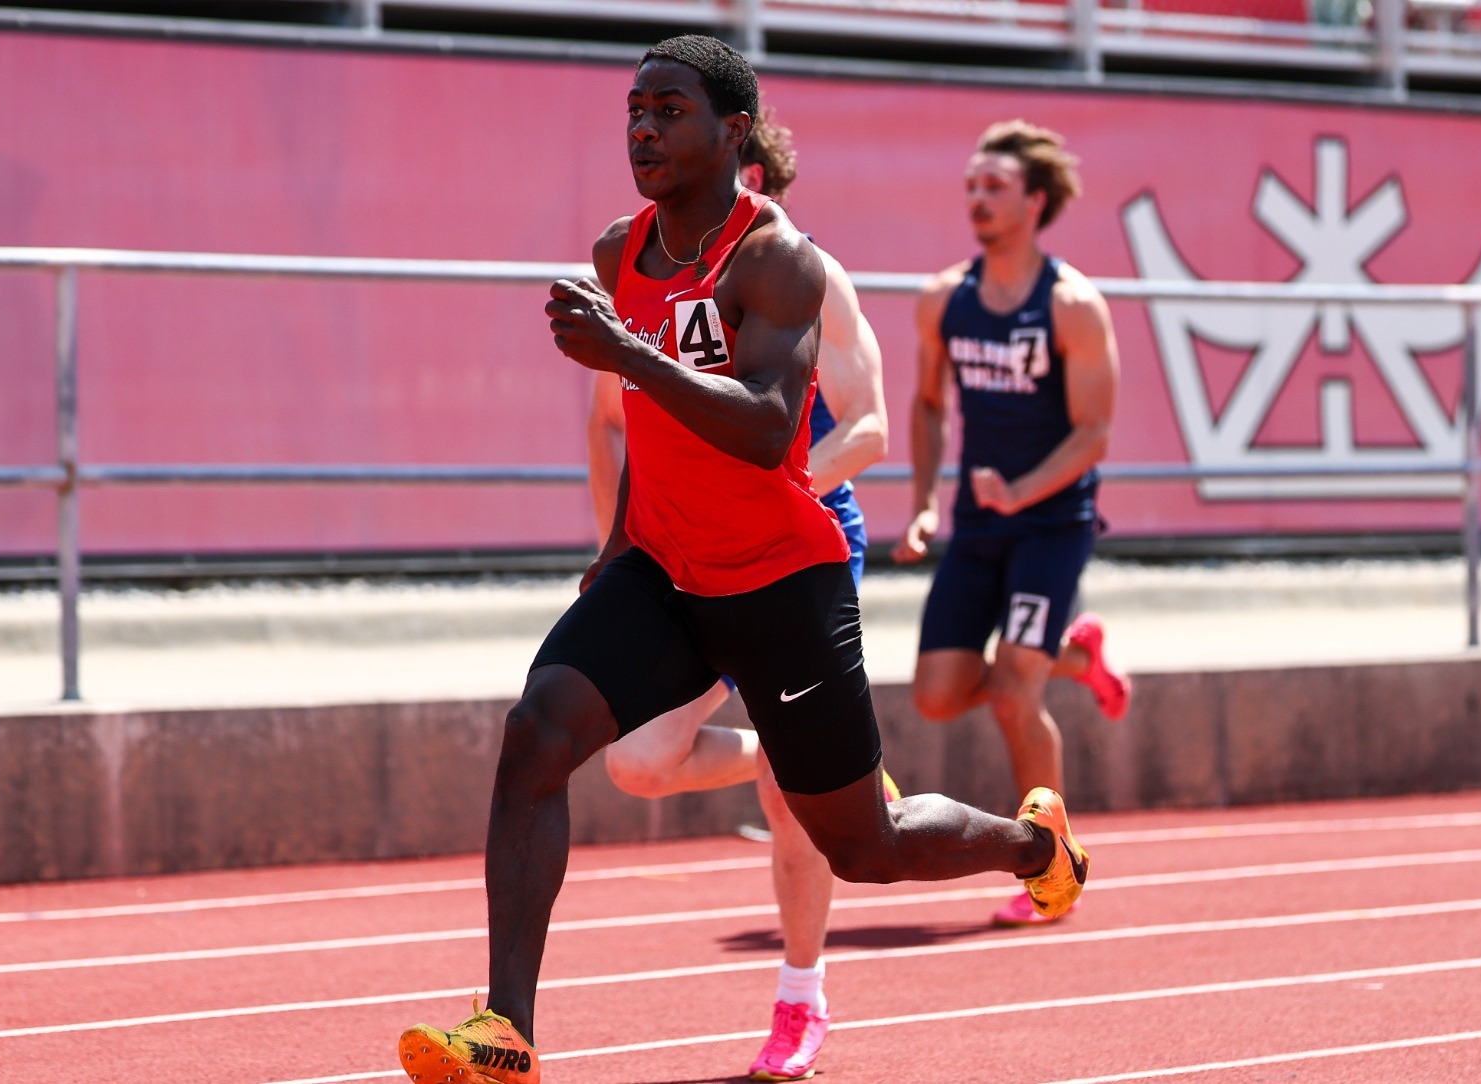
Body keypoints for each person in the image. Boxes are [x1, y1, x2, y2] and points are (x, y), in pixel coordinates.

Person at [395, 37, 1088, 1084]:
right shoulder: (619, 251)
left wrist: (629, 350)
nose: (643, 128)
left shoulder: (778, 260)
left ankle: (1036, 847)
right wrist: (618, 547)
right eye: (633, 109)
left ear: (734, 132)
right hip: (666, 569)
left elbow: (771, 429)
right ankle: (506, 1031)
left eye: (669, 109)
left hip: (778, 582)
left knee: (869, 846)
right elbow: (642, 422)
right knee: (538, 733)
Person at [587, 105, 890, 1082]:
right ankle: (799, 756)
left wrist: (784, 482)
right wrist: (621, 544)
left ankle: (800, 999)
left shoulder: (808, 272)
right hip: (685, 558)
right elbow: (614, 421)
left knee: (797, 811)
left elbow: (873, 426)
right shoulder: (647, 271)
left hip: (796, 553)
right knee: (637, 762)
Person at [892, 119, 1131, 929]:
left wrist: (1021, 489)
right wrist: (926, 502)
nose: (978, 200)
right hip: (977, 524)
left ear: (1034, 202)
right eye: (970, 187)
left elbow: (1095, 431)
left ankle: (1050, 866)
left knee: (1012, 695)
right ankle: (1076, 654)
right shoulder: (945, 299)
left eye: (994, 187)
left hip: (1052, 524)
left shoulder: (1071, 305)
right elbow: (927, 405)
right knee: (936, 694)